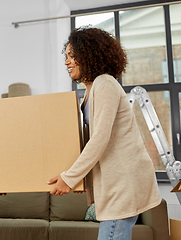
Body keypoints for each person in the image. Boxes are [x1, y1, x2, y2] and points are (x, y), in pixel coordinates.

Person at [48, 27, 162, 240]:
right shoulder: (90, 90)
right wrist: (79, 178)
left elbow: (100, 138)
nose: (67, 62)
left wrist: (70, 178)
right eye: (66, 57)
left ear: (89, 55)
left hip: (124, 181)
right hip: (115, 183)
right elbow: (89, 140)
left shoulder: (105, 84)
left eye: (72, 56)